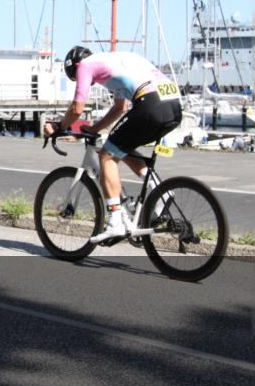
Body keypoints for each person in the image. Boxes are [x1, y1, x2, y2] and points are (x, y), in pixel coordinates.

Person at [44, 46, 182, 243]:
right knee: (122, 148)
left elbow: (77, 109)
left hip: (150, 103)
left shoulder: (85, 65)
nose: (83, 81)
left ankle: (115, 222)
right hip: (173, 106)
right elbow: (119, 108)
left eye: (75, 77)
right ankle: (161, 191)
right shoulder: (115, 61)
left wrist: (59, 126)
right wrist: (94, 129)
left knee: (106, 156)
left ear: (75, 65)